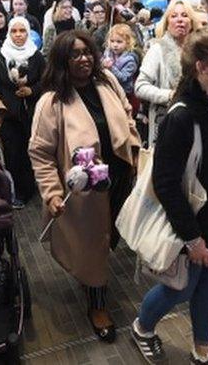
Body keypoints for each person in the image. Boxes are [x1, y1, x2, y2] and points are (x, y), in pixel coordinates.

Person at [131, 27, 208, 365]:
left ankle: (203, 350)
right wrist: (192, 238)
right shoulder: (181, 115)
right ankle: (142, 327)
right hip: (190, 221)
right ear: (201, 66)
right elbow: (166, 184)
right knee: (180, 287)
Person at [29, 30, 139, 343]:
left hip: (120, 178)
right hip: (85, 192)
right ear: (62, 61)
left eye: (87, 52)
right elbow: (40, 153)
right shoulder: (51, 102)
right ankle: (98, 305)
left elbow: (126, 113)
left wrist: (131, 141)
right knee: (93, 246)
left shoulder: (107, 83)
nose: (84, 59)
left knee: (109, 239)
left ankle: (91, 277)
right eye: (75, 54)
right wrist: (51, 193)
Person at [0, 17, 45, 206]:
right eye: (14, 31)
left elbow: (48, 80)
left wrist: (31, 90)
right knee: (12, 154)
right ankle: (16, 191)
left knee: (30, 153)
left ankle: (30, 189)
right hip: (8, 116)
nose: (18, 35)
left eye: (22, 31)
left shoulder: (36, 56)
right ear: (9, 33)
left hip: (31, 115)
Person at [136, 0, 201, 147]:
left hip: (196, 120)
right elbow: (140, 87)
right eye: (174, 16)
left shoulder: (199, 51)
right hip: (166, 122)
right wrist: (169, 95)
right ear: (167, 22)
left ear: (191, 21)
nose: (179, 20)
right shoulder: (157, 49)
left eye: (184, 15)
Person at [102, 23, 141, 113]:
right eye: (112, 41)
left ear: (127, 43)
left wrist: (111, 68)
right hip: (110, 91)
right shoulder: (108, 53)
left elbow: (123, 78)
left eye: (119, 42)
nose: (115, 45)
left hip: (124, 93)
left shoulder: (130, 60)